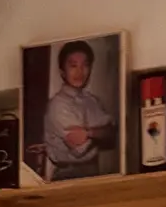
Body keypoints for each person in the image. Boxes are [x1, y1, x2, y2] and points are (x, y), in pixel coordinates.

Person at [43, 40, 117, 181]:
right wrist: (101, 132)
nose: (80, 71)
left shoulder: (92, 101)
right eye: (73, 66)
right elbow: (79, 148)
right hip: (68, 175)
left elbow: (113, 136)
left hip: (95, 171)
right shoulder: (58, 105)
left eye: (85, 65)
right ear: (62, 71)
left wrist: (89, 133)